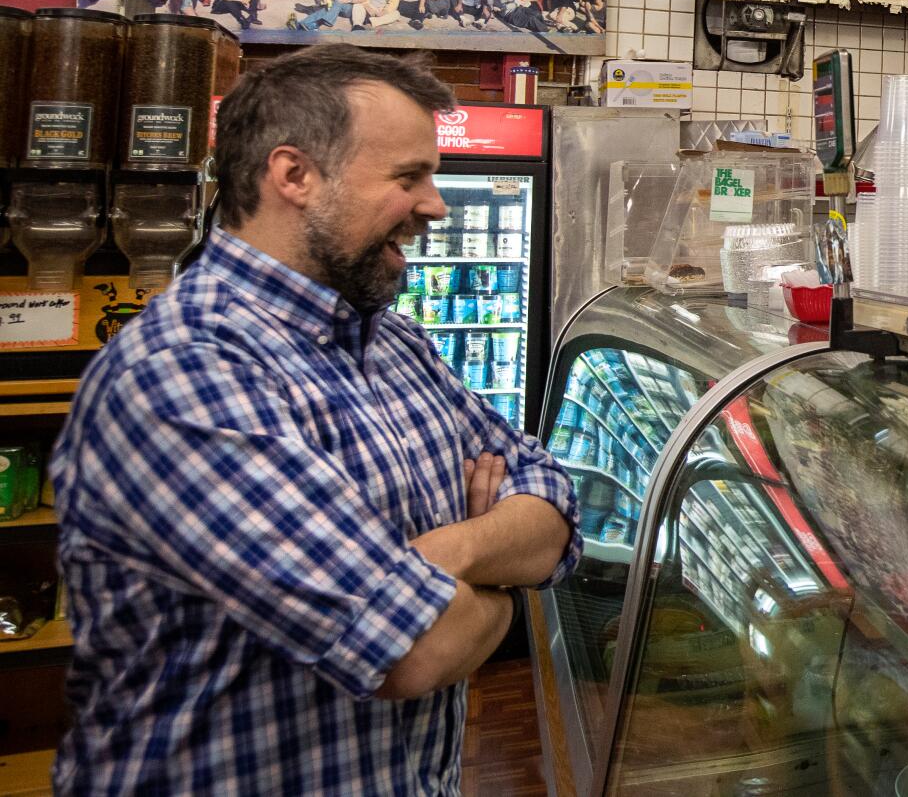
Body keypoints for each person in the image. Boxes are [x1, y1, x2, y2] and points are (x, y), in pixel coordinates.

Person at [49, 46, 581, 793]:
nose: (437, 205)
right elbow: (414, 650)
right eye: (409, 177)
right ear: (293, 175)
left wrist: (445, 554)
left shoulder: (394, 341)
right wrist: (502, 579)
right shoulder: (183, 371)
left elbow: (555, 502)